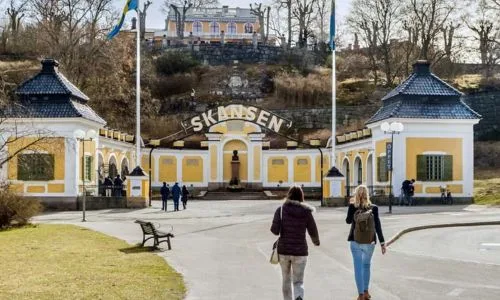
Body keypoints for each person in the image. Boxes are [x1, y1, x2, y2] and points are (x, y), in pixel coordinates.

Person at [271, 185, 320, 300]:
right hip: (300, 252)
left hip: (283, 251)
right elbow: (312, 229)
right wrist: (316, 242)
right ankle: (298, 296)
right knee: (298, 281)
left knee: (286, 279)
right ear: (301, 196)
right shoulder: (306, 211)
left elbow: (274, 231)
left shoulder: (281, 210)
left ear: (289, 195)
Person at [346, 185, 386, 300]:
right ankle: (366, 292)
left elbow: (348, 221)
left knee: (358, 267)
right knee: (366, 265)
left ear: (356, 194)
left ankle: (361, 295)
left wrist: (352, 205)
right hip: (370, 241)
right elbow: (377, 226)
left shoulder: (353, 206)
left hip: (355, 240)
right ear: (367, 194)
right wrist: (382, 243)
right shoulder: (374, 208)